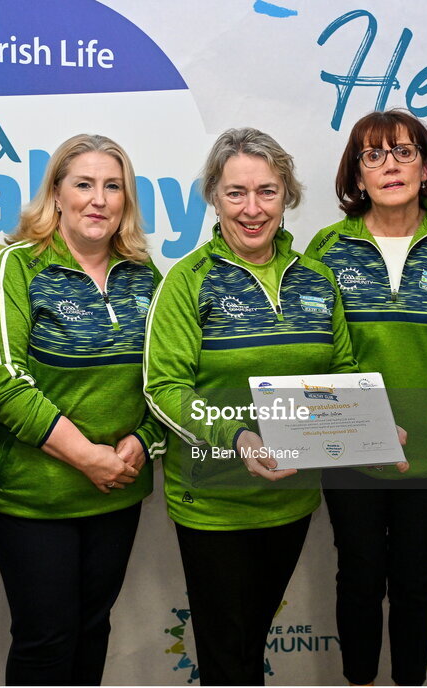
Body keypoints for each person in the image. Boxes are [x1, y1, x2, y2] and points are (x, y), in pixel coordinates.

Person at [143, 127, 359, 685]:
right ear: (214, 198)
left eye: (267, 191)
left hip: (290, 499)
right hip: (214, 503)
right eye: (235, 192)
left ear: (287, 195)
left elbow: (341, 371)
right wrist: (237, 437)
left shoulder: (317, 279)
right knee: (226, 658)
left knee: (252, 644)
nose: (252, 208)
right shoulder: (187, 281)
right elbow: (165, 389)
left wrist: (366, 427)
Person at [0, 134, 166, 685]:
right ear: (56, 194)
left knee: (92, 630)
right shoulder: (16, 266)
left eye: (113, 187)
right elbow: (2, 381)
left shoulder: (144, 275)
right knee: (46, 641)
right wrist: (87, 456)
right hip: (35, 499)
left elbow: (169, 378)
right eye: (84, 184)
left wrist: (142, 443)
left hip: (117, 492)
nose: (98, 199)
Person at [306, 109, 427, 686]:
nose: (390, 165)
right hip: (349, 453)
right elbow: (315, 353)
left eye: (405, 152)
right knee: (357, 580)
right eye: (374, 155)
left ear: (425, 168)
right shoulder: (326, 247)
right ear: (357, 175)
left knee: (415, 583)